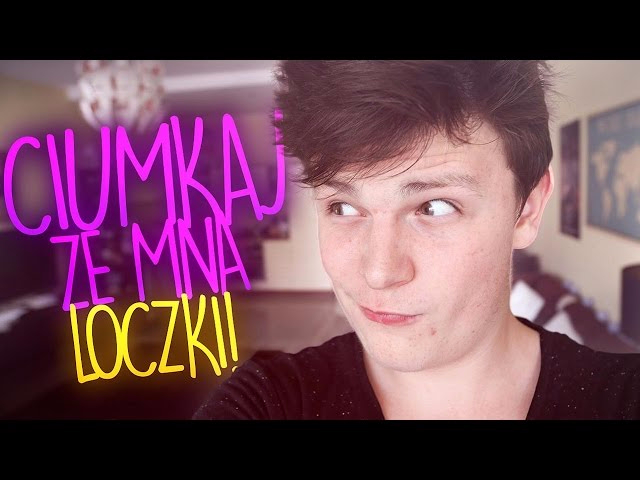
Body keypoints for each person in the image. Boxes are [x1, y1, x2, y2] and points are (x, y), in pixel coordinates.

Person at [193, 60, 640, 420]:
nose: (379, 272)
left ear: (527, 208)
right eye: (343, 207)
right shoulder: (270, 401)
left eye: (435, 206)